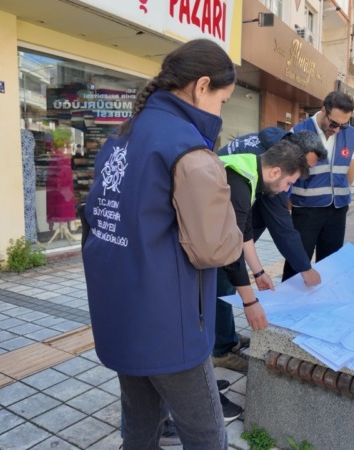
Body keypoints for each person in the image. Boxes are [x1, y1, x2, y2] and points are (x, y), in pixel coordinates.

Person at [81, 39, 243, 450]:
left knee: (139, 425)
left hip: (119, 310)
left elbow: (95, 221)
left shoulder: (122, 136)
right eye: (222, 101)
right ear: (201, 85)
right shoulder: (186, 148)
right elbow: (215, 249)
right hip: (170, 321)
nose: (220, 111)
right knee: (206, 433)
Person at [212, 140, 312, 373]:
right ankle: (216, 360)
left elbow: (244, 229)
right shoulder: (237, 183)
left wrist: (259, 272)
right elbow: (231, 249)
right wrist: (250, 302)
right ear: (276, 171)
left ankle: (224, 344)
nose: (287, 190)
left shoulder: (250, 174)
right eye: (289, 182)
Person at [218, 127, 328, 287]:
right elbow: (281, 227)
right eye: (304, 167)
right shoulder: (259, 176)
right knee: (224, 278)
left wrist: (258, 272)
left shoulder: (267, 156)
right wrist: (305, 268)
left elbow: (246, 229)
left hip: (222, 224)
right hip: (212, 235)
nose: (304, 174)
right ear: (294, 155)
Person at [282, 91, 354, 281]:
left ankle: (322, 306)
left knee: (331, 263)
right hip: (306, 210)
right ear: (324, 110)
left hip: (337, 209)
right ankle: (289, 306)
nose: (338, 129)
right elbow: (287, 174)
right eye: (334, 123)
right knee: (297, 262)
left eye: (344, 124)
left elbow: (351, 169)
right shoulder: (298, 132)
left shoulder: (351, 134)